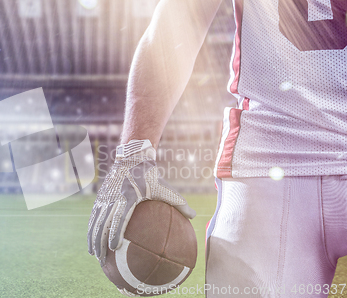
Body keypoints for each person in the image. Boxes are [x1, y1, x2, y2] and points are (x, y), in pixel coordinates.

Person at [87, 0, 347, 297]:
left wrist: (133, 153)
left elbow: (180, 18)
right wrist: (132, 153)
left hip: (269, 167)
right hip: (268, 160)